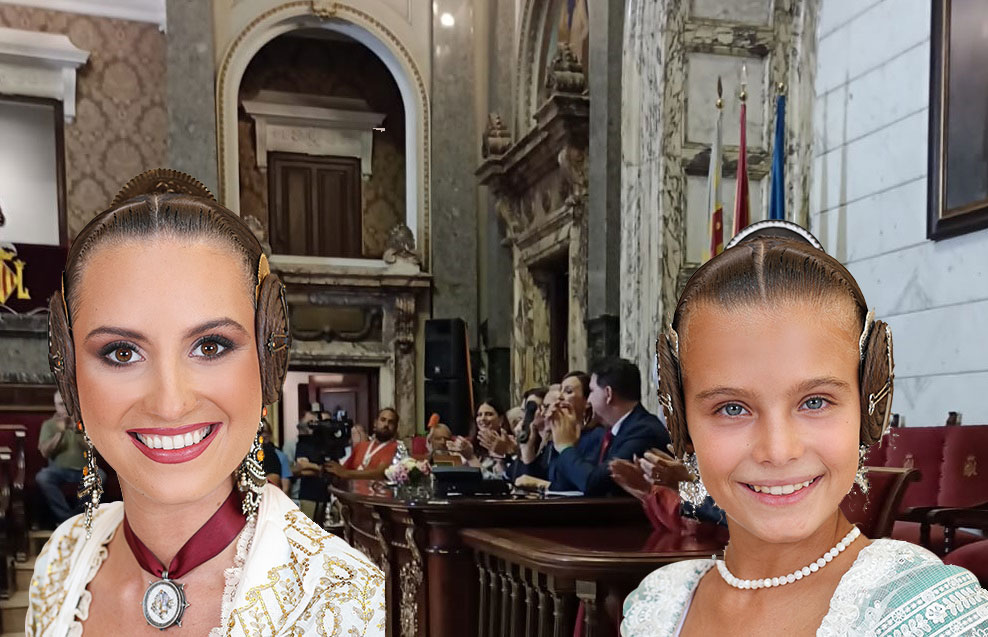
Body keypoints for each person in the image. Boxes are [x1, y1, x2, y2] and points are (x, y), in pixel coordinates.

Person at [30, 170, 383, 635]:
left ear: (268, 358)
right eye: (122, 352)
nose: (171, 403)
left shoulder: (350, 606)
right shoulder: (61, 561)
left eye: (211, 346)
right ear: (70, 374)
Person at [621, 221, 988, 635]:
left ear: (870, 404)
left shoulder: (924, 613)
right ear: (680, 421)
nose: (778, 450)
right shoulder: (658, 604)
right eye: (732, 408)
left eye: (814, 402)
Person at [548, 357, 670, 496]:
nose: (588, 400)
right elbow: (563, 486)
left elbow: (595, 484)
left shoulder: (643, 431)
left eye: (592, 391)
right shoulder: (616, 431)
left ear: (608, 394)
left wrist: (566, 447)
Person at [36, 391, 105, 525]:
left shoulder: (85, 423)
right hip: (58, 470)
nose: (65, 408)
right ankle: (66, 518)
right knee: (42, 477)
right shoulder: (48, 425)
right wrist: (60, 433)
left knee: (101, 476)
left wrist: (78, 430)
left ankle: (78, 516)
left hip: (84, 470)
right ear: (55, 406)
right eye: (61, 405)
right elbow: (45, 452)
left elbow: (95, 451)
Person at [325, 407, 399, 479]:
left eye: (391, 422)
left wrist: (346, 473)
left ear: (395, 428)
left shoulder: (395, 447)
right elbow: (342, 470)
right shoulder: (361, 446)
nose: (386, 424)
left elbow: (380, 474)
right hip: (352, 490)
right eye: (383, 420)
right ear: (375, 423)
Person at [260, 418, 290, 494]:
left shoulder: (279, 455)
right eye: (261, 432)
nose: (264, 435)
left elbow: (285, 488)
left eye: (266, 432)